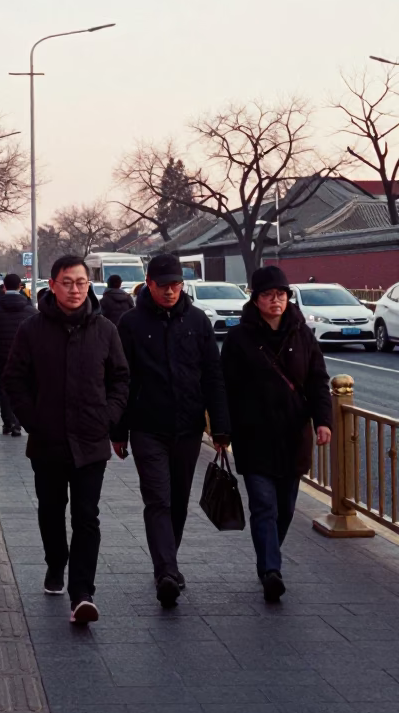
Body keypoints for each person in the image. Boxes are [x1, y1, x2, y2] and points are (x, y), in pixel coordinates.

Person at [4, 255, 129, 624]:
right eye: (67, 282)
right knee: (51, 511)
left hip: (91, 440)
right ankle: (55, 562)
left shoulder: (105, 329)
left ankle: (82, 594)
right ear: (52, 285)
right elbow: (14, 380)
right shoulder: (32, 329)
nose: (75, 289)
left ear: (89, 286)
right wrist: (33, 420)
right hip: (48, 441)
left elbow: (121, 380)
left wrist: (108, 417)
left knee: (87, 516)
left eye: (81, 282)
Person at [114, 253, 230, 608]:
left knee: (179, 499)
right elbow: (121, 380)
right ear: (149, 284)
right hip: (147, 426)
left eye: (176, 285)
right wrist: (118, 430)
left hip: (188, 426)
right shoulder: (130, 323)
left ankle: (168, 562)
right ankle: (166, 570)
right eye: (163, 285)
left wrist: (221, 427)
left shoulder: (197, 321)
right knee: (158, 499)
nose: (170, 291)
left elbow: (213, 375)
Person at [222, 266, 331, 602]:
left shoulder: (302, 334)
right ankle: (271, 570)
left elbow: (317, 380)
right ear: (255, 300)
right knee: (264, 505)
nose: (275, 301)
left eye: (281, 295)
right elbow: (225, 387)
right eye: (268, 295)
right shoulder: (239, 339)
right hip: (253, 436)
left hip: (293, 434)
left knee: (285, 508)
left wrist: (323, 420)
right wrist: (223, 429)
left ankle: (269, 556)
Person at [0, 272, 35, 436]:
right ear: (20, 287)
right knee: (23, 387)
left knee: (3, 388)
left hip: (2, 356)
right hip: (25, 358)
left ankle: (8, 421)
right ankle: (18, 422)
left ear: (4, 286)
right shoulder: (30, 309)